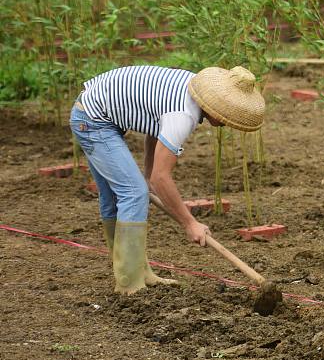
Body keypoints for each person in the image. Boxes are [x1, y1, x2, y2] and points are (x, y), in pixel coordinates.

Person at [70, 65, 266, 294]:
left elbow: (155, 126)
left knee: (120, 194)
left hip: (93, 111)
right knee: (133, 192)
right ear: (215, 105)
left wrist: (148, 174)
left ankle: (138, 271)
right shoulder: (183, 115)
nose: (227, 122)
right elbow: (161, 177)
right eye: (228, 115)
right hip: (93, 121)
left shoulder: (194, 88)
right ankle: (129, 283)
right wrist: (190, 223)